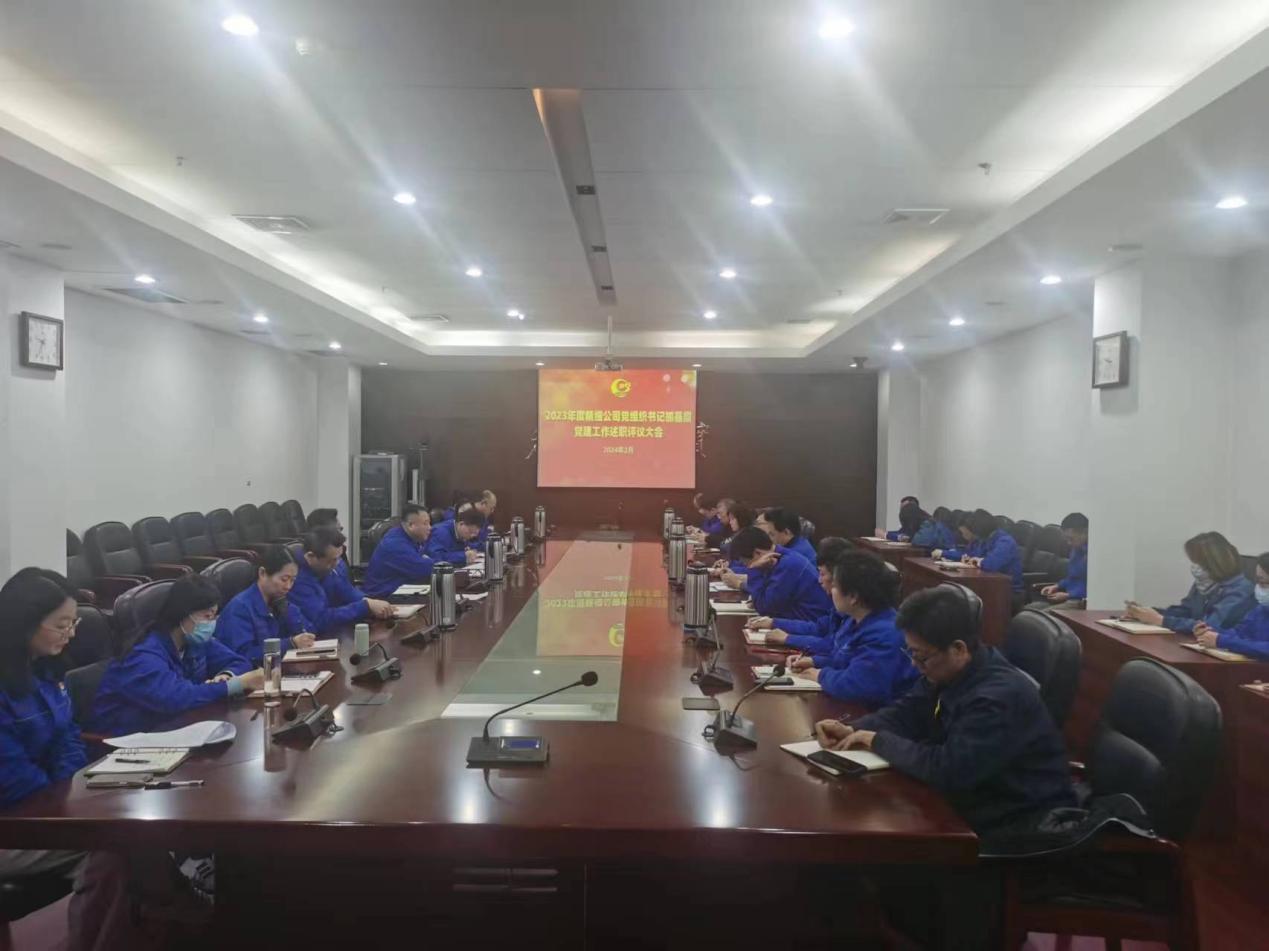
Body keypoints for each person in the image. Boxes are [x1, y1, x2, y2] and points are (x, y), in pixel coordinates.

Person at [814, 585, 1075, 833]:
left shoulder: (997, 698)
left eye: (921, 656)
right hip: (976, 794)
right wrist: (853, 729)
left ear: (958, 649)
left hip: (1016, 816)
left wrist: (876, 740)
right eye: (911, 653)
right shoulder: (950, 670)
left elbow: (947, 769)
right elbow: (908, 711)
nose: (915, 665)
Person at [0, 572, 166, 949]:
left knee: (138, 828)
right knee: (111, 847)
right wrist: (72, 804)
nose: (71, 633)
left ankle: (167, 921)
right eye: (61, 625)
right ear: (24, 623)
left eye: (73, 623)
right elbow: (13, 781)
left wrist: (73, 787)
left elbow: (68, 737)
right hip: (11, 824)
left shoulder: (45, 670)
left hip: (49, 807)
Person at [91, 575, 261, 737]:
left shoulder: (195, 641)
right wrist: (235, 684)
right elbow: (174, 698)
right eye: (207, 616)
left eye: (214, 616)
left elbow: (239, 662)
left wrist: (226, 676)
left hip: (174, 728)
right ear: (182, 613)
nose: (211, 623)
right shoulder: (143, 654)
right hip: (126, 742)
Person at [785, 552, 920, 706]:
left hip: (882, 712)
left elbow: (860, 686)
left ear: (854, 597)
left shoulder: (885, 633)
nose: (831, 590)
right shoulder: (854, 619)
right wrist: (814, 662)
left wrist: (820, 675)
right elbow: (844, 660)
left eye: (835, 586)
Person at [1123, 531, 1254, 635]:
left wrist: (1160, 620)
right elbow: (1186, 611)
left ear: (1213, 562)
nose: (1195, 567)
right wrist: (1147, 613)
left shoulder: (1241, 590)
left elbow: (1209, 626)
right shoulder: (1205, 583)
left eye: (1198, 562)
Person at [746, 537, 852, 652]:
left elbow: (833, 647)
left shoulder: (789, 563)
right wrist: (774, 623)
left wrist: (788, 639)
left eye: (822, 574)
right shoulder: (840, 609)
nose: (819, 580)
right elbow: (819, 628)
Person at [213, 546, 315, 664]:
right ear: (262, 573)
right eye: (284, 579)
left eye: (292, 580)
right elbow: (245, 654)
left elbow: (308, 630)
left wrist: (289, 612)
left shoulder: (278, 601)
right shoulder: (240, 608)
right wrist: (290, 643)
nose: (288, 586)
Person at [291, 527, 394, 633]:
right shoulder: (294, 579)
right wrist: (364, 607)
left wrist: (370, 601)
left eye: (339, 558)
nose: (337, 564)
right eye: (332, 560)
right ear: (311, 556)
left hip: (337, 627)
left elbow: (346, 591)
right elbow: (320, 619)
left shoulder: (329, 567)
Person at [728, 526, 833, 622]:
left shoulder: (788, 564)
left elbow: (764, 608)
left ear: (758, 553)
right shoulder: (778, 559)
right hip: (798, 619)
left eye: (746, 563)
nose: (747, 567)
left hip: (813, 623)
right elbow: (766, 599)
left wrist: (754, 570)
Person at [1196, 552, 1269, 660]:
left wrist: (1222, 641)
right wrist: (1210, 632)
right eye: (1257, 581)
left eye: (1262, 582)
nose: (1259, 587)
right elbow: (1240, 633)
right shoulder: (1262, 609)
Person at [362, 504, 436, 597]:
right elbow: (424, 569)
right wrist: (432, 562)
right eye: (425, 523)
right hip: (381, 596)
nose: (430, 528)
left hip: (398, 592)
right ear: (411, 525)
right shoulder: (395, 544)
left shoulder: (408, 538)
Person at [942, 509, 1023, 592]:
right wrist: (969, 559)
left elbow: (990, 565)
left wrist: (978, 561)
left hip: (1007, 590)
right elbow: (972, 555)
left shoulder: (1005, 541)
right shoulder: (985, 539)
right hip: (988, 584)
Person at [1038, 513, 1089, 608]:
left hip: (1080, 600)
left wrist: (1068, 595)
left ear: (1085, 533)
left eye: (1071, 539)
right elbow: (1073, 577)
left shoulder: (1094, 555)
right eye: (1066, 539)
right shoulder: (1076, 550)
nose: (1069, 543)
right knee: (1031, 609)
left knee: (1041, 615)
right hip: (1068, 596)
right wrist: (1057, 586)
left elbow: (1093, 588)